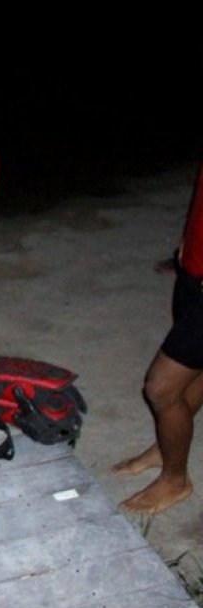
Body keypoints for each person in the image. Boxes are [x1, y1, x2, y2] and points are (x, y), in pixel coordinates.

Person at [112, 162, 203, 515]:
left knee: (161, 387)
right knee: (193, 370)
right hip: (194, 269)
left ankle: (175, 479)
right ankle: (167, 448)